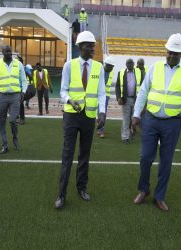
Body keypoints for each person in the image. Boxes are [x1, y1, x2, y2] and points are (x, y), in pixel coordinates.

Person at [131, 33, 181, 211]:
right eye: (169, 52)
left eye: (176, 53)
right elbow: (143, 92)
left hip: (172, 123)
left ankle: (159, 196)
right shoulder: (154, 68)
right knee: (145, 157)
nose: (171, 55)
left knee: (166, 161)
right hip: (151, 120)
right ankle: (143, 190)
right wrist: (136, 114)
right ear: (166, 50)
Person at [54, 31, 106, 209]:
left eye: (93, 45)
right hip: (71, 115)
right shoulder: (69, 65)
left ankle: (81, 188)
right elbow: (62, 91)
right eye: (89, 45)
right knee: (67, 154)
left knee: (85, 154)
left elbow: (101, 93)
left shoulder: (98, 67)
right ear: (79, 47)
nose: (93, 48)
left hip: (88, 117)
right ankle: (61, 194)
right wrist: (69, 100)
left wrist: (102, 112)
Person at [0, 45, 27, 154]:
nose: (9, 53)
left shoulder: (18, 64)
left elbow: (24, 80)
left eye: (10, 51)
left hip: (15, 96)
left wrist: (23, 92)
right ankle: (4, 145)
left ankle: (15, 137)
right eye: (6, 51)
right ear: (2, 52)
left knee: (12, 120)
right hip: (1, 96)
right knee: (1, 122)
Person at [115, 58, 144, 144]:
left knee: (135, 118)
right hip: (126, 99)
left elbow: (143, 86)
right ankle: (125, 137)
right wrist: (118, 97)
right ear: (126, 64)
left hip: (136, 100)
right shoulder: (121, 73)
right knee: (126, 119)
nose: (130, 64)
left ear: (134, 64)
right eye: (128, 63)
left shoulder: (139, 73)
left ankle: (134, 132)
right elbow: (117, 87)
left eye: (131, 63)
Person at [96, 56, 115, 138]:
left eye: (112, 67)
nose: (111, 68)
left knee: (103, 113)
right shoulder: (98, 70)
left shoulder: (111, 73)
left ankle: (101, 130)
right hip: (95, 95)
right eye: (109, 66)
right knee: (94, 112)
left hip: (105, 96)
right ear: (105, 64)